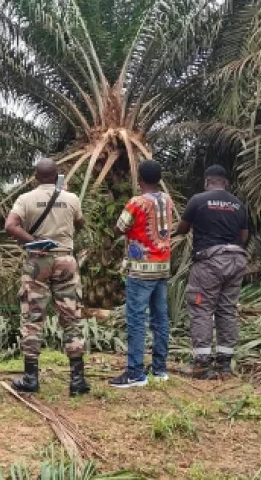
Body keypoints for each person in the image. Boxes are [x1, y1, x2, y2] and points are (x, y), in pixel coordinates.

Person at [4, 158, 90, 397]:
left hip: (37, 262)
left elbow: (10, 225)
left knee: (33, 318)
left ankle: (31, 378)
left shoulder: (25, 199)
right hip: (65, 260)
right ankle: (77, 380)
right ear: (57, 176)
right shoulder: (71, 198)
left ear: (35, 176)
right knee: (71, 317)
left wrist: (32, 241)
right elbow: (80, 223)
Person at [175, 165, 249, 379]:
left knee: (201, 308)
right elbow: (243, 236)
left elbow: (182, 229)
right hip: (236, 260)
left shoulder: (198, 201)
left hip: (210, 261)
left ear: (207, 182)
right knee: (227, 309)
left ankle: (201, 364)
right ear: (225, 183)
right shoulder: (238, 204)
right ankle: (225, 365)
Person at [109, 160, 173, 388]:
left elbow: (119, 228)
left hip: (140, 269)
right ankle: (160, 368)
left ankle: (135, 372)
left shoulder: (137, 202)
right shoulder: (166, 199)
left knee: (137, 319)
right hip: (162, 266)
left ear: (140, 179)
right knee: (160, 318)